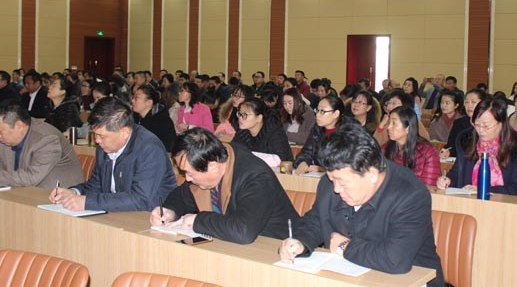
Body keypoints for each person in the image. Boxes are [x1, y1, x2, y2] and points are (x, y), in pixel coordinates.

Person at [278, 123, 444, 287]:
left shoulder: (410, 195)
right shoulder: (332, 182)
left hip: (411, 284)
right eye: (332, 179)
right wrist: (300, 241)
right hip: (353, 278)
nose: (336, 189)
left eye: (343, 183)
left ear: (371, 174)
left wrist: (345, 247)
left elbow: (395, 259)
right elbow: (316, 220)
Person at [149, 128, 299, 244]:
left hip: (275, 249)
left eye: (190, 174)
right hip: (231, 246)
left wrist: (197, 221)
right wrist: (169, 211)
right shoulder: (208, 159)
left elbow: (243, 231)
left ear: (213, 167)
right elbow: (182, 196)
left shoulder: (256, 177)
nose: (187, 179)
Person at [49, 97, 177, 212]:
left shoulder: (149, 149)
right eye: (95, 135)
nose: (97, 141)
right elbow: (96, 185)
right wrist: (74, 192)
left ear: (124, 132)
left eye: (102, 136)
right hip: (117, 214)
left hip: (150, 218)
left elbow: (140, 200)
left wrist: (87, 202)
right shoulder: (104, 147)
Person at [437, 98, 517, 197]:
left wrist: (482, 189)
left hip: (504, 203)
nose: (480, 130)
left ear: (501, 123)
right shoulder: (467, 141)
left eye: (486, 126)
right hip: (468, 201)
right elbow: (457, 174)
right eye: (477, 125)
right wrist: (448, 180)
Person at [0, 102, 84, 189]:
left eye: (0, 132)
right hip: (22, 190)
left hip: (58, 193)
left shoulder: (47, 139)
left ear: (19, 126)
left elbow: (31, 178)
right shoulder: (6, 138)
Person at [294, 95, 353, 174]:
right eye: (317, 110)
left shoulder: (349, 132)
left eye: (322, 112)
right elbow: (306, 152)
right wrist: (303, 162)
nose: (317, 115)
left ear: (336, 114)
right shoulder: (317, 129)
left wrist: (325, 169)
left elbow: (350, 163)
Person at [384, 105, 441, 186]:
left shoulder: (428, 152)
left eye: (394, 123)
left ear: (407, 128)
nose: (389, 127)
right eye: (389, 122)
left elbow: (427, 187)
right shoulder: (385, 149)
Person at [440, 88, 487, 158]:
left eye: (473, 102)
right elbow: (451, 146)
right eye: (467, 102)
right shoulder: (459, 123)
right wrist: (447, 152)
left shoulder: (488, 125)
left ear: (483, 104)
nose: (469, 106)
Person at [132, 85, 176, 152]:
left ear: (149, 102)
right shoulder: (134, 117)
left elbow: (168, 147)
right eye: (133, 97)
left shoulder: (163, 121)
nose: (132, 100)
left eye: (136, 98)